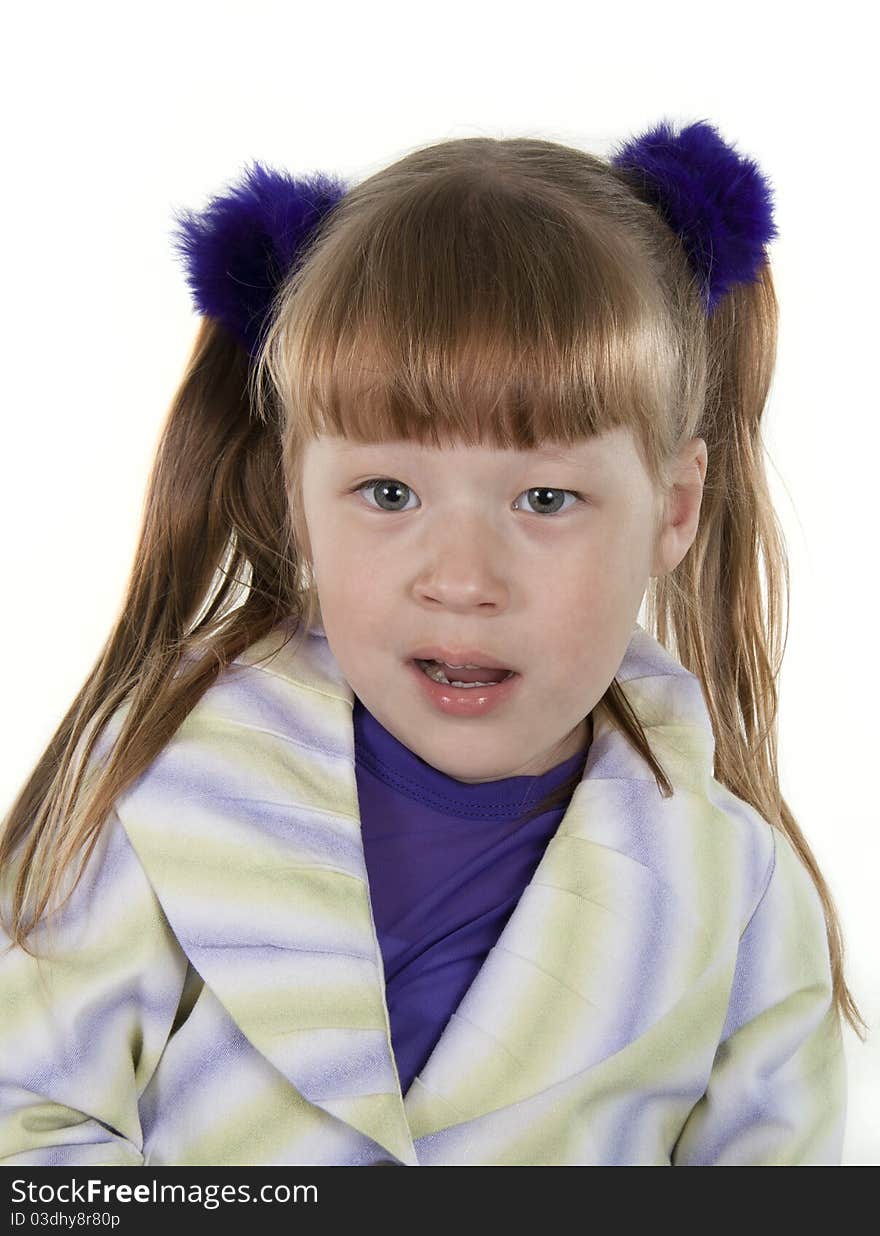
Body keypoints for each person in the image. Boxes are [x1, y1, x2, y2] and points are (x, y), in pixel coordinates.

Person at [0, 118, 864, 1167]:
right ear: (297, 494)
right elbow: (23, 1125)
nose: (460, 580)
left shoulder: (740, 901)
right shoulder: (163, 778)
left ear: (672, 509)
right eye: (389, 491)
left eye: (545, 497)